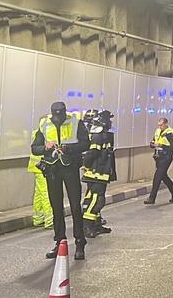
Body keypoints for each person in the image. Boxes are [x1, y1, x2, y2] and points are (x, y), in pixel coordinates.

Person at [31, 101, 89, 261]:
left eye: (61, 115)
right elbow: (34, 148)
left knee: (75, 206)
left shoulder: (75, 122)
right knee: (56, 206)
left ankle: (79, 242)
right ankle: (60, 241)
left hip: (70, 167)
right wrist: (45, 147)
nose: (58, 118)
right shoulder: (44, 124)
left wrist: (68, 148)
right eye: (56, 115)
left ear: (64, 113)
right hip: (52, 169)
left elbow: (86, 143)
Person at [81, 110, 116, 238]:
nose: (110, 122)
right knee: (96, 200)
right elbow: (92, 153)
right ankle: (87, 226)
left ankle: (96, 224)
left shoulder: (104, 134)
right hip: (97, 173)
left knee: (94, 198)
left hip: (101, 172)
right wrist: (86, 165)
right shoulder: (98, 135)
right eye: (109, 119)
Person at [145, 117, 173, 204]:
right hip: (158, 157)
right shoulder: (157, 131)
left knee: (157, 177)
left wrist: (161, 144)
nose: (160, 127)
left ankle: (152, 198)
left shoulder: (171, 133)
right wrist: (152, 144)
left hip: (166, 157)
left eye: (161, 125)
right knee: (163, 176)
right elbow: (153, 142)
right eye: (159, 125)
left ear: (166, 124)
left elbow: (172, 147)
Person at [27, 150, 53, 229]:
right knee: (46, 192)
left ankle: (38, 218)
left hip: (37, 164)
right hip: (42, 165)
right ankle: (49, 220)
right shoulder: (46, 137)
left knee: (39, 193)